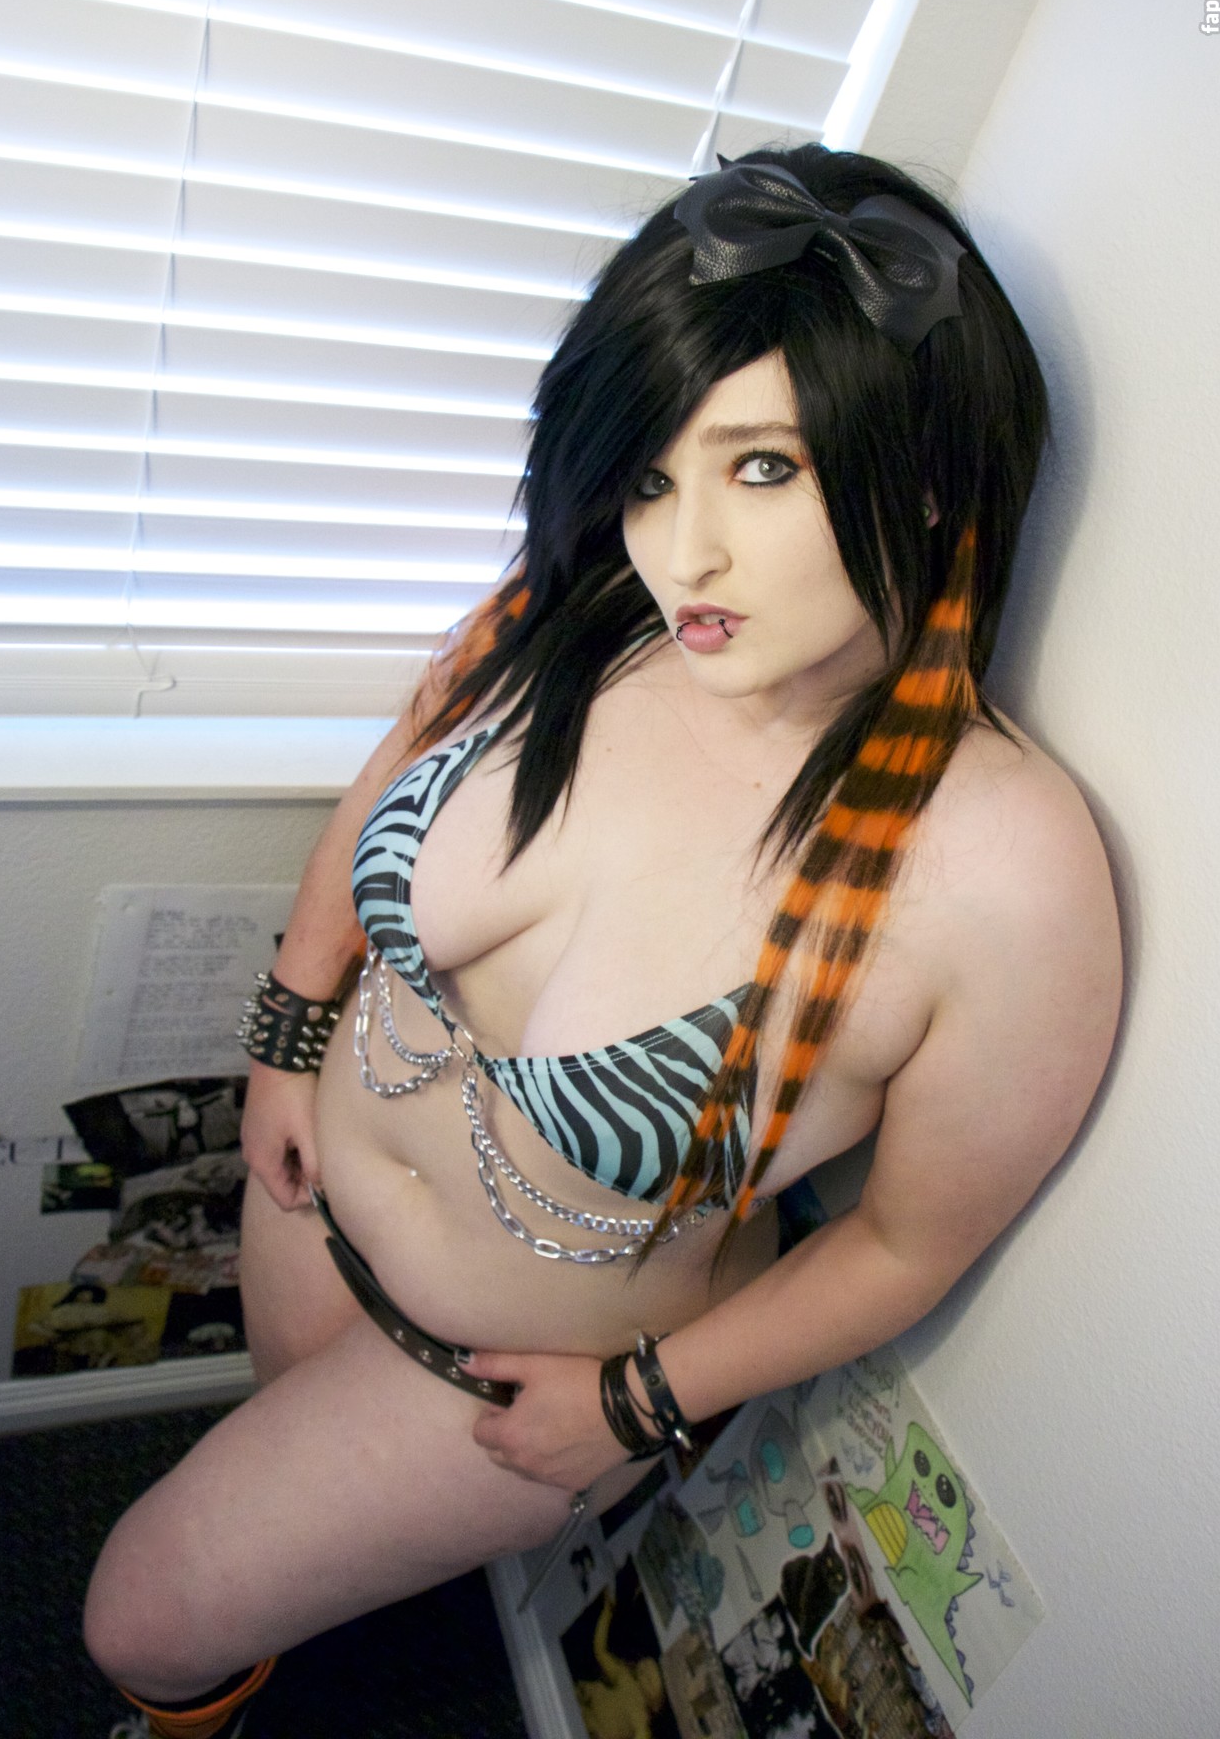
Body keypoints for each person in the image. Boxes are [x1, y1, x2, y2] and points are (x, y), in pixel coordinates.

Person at [84, 145, 1121, 1739]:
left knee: (137, 1616)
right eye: (651, 471)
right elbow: (391, 776)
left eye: (761, 468)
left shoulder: (1001, 872)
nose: (681, 550)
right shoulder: (594, 615)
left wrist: (640, 1405)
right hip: (305, 1203)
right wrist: (288, 1037)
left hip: (509, 1378)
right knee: (279, 1516)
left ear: (925, 475)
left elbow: (909, 1244)